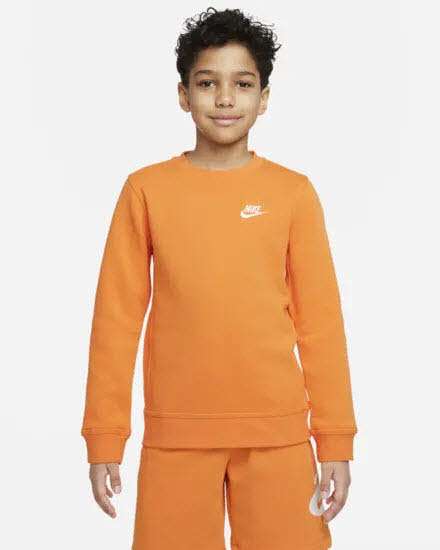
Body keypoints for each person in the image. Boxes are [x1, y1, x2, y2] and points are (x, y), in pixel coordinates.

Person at [80, 7, 358, 549]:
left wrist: (335, 441)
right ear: (184, 95)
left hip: (278, 435)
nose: (225, 98)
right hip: (177, 436)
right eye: (208, 83)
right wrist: (105, 438)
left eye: (243, 84)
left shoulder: (293, 194)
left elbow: (321, 327)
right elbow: (115, 321)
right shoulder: (146, 190)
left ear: (264, 97)